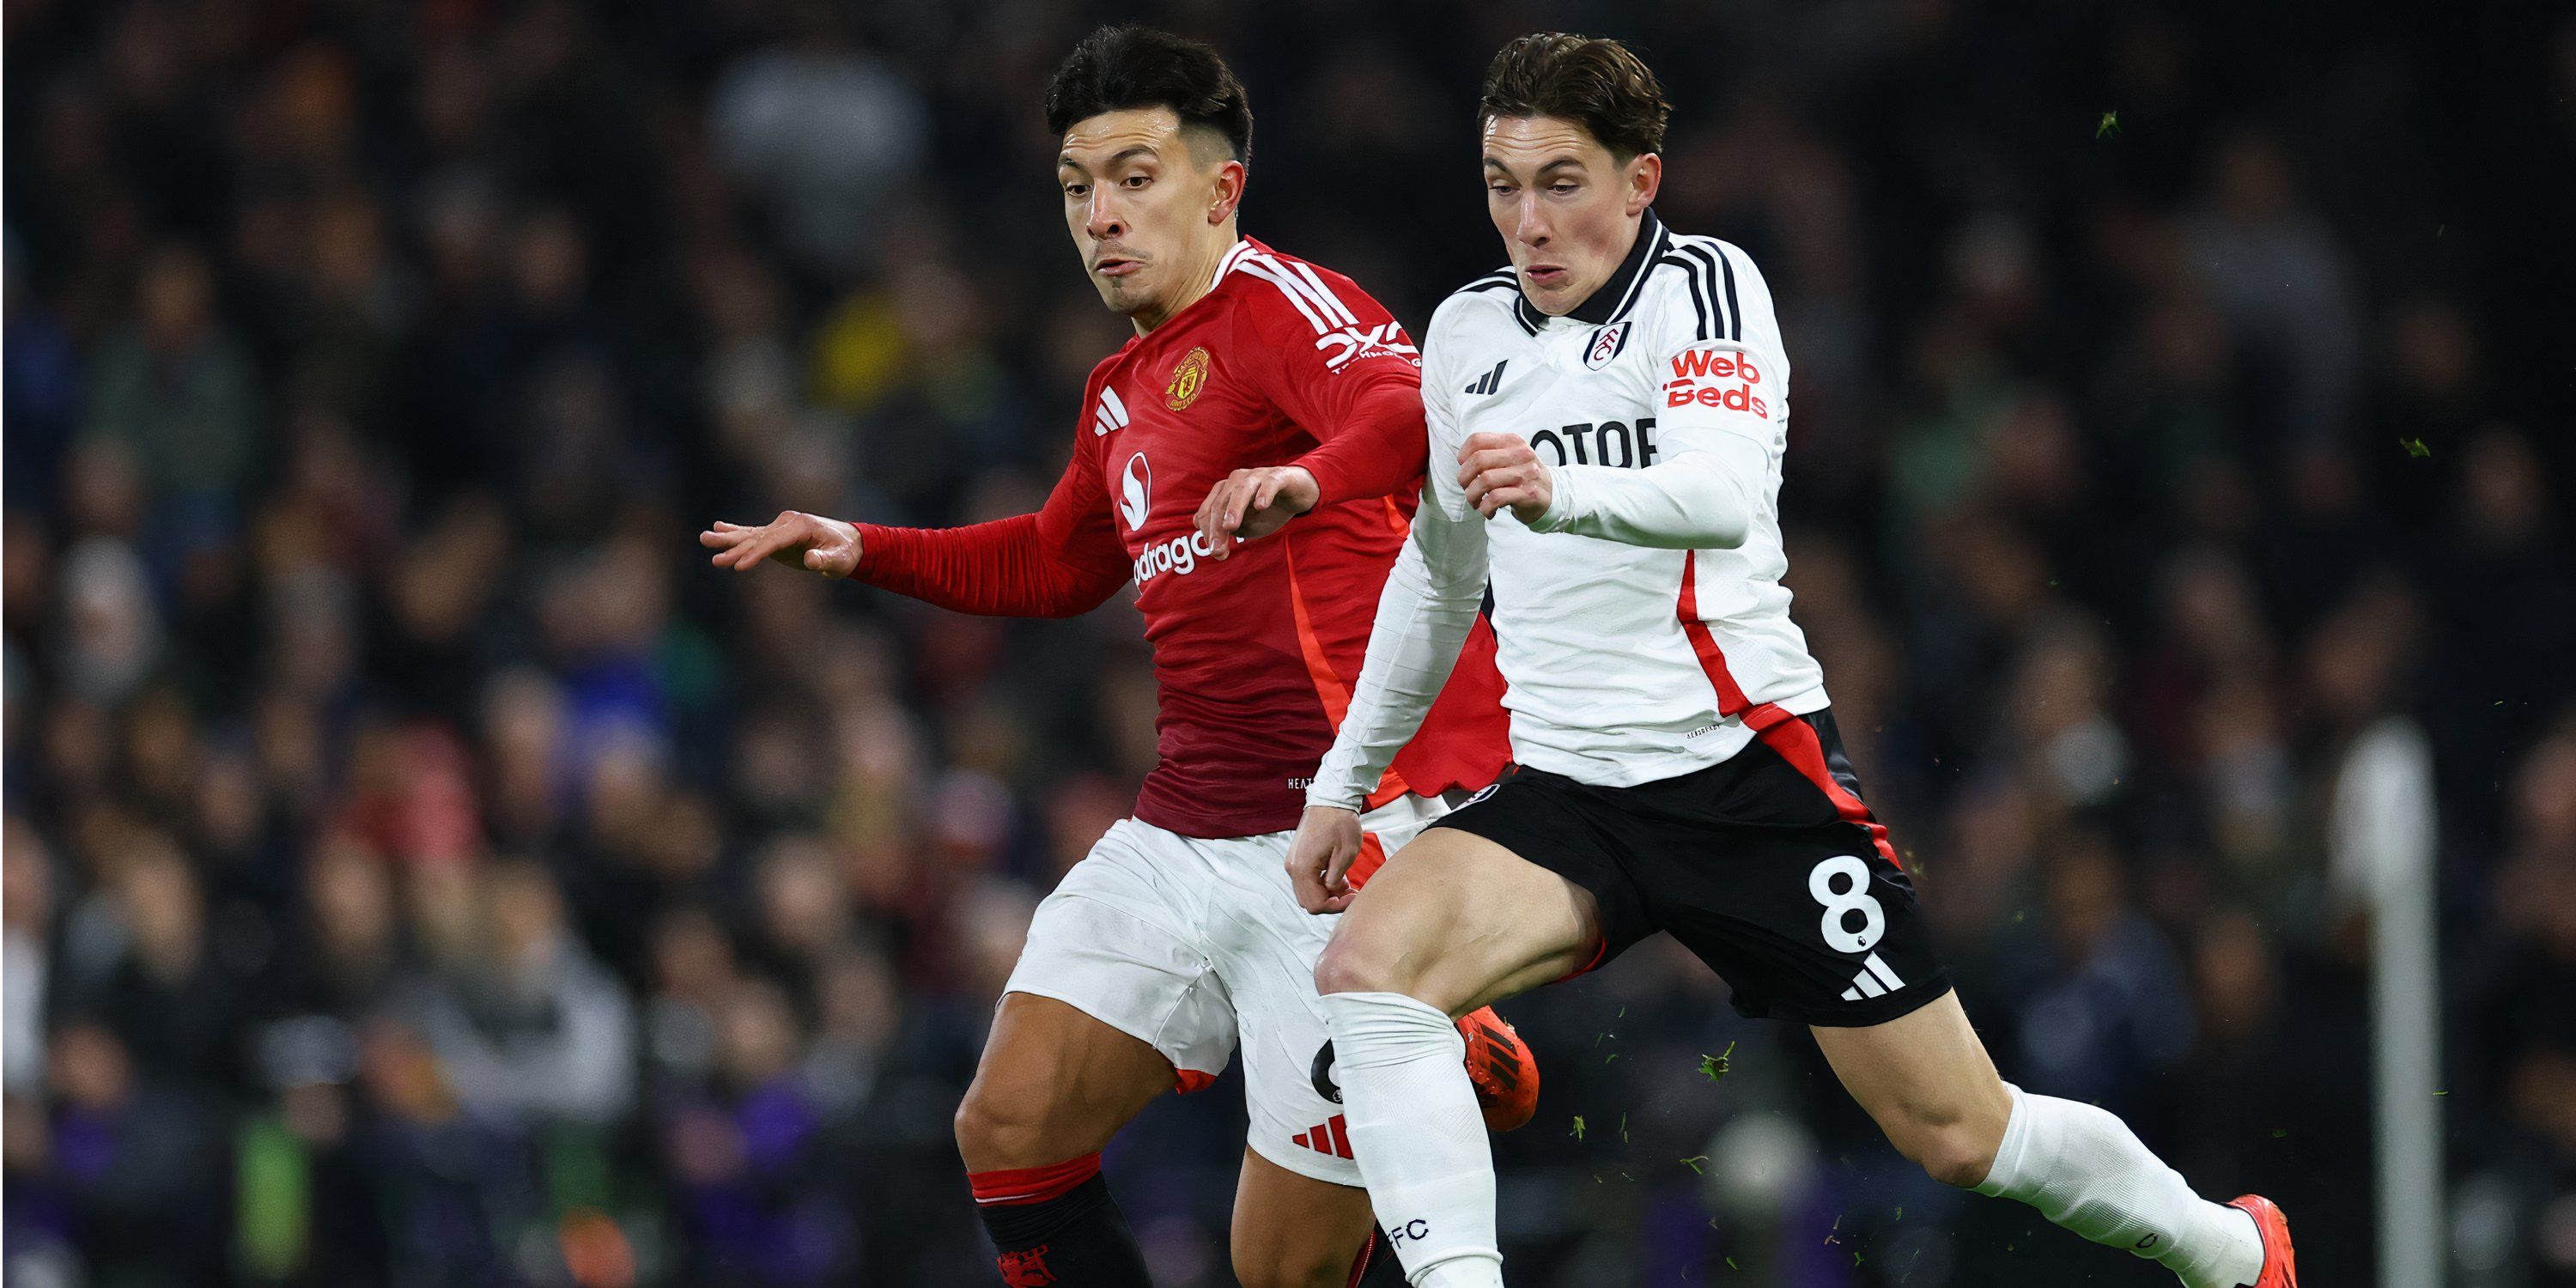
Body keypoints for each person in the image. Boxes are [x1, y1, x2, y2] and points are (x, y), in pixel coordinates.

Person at [1257, 33, 2298, 1288]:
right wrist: (1341, 783)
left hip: (1746, 779)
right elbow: (1438, 574)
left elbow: (1720, 492)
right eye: (1501, 183)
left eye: (1562, 182)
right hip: (1572, 796)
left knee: (1961, 1134)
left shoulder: (1707, 289)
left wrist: (1560, 487)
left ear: (1643, 181)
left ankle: (2235, 1253)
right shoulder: (1469, 332)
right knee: (1368, 971)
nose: (1526, 221)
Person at [701, 26, 1535, 1288]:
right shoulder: (1118, 390)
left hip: (1341, 844)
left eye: (1135, 178)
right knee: (1009, 1130)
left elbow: (1398, 410)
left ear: (1220, 187)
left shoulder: (1281, 307)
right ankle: (1443, 1039)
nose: (1101, 215)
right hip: (1179, 831)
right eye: (1079, 187)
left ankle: (1441, 1024)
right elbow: (1055, 562)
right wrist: (861, 544)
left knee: (1281, 1274)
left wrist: (1306, 477)